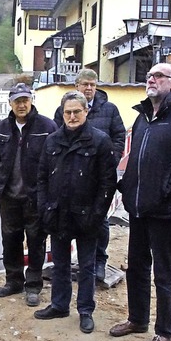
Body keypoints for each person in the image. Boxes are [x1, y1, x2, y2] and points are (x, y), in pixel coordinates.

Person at [109, 63, 171, 341]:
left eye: (159, 76)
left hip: (166, 211)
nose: (151, 79)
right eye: (150, 75)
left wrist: (166, 191)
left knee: (165, 273)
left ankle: (164, 332)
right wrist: (127, 187)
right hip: (138, 208)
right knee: (136, 268)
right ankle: (137, 319)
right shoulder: (142, 118)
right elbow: (136, 159)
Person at [34, 91, 116, 333]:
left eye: (76, 112)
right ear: (62, 113)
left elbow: (107, 183)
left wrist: (97, 215)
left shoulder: (100, 141)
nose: (72, 116)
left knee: (87, 266)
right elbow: (41, 178)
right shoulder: (52, 141)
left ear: (86, 112)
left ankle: (85, 310)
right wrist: (44, 208)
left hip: (87, 216)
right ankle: (59, 305)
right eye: (68, 112)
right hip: (58, 214)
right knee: (60, 264)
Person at [54, 68, 125, 281]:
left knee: (100, 219)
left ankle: (99, 261)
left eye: (92, 85)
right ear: (76, 86)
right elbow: (57, 137)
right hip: (72, 175)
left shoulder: (109, 109)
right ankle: (71, 266)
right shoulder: (64, 110)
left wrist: (111, 159)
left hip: (98, 176)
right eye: (85, 84)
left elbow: (119, 136)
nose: (89, 88)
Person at [0, 83, 58, 307]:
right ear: (10, 103)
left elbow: (55, 160)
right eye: (17, 101)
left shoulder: (47, 126)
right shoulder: (2, 127)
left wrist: (48, 192)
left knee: (36, 241)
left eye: (25, 100)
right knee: (10, 240)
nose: (21, 105)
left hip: (35, 197)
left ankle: (33, 285)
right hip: (9, 196)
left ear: (31, 101)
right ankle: (13, 281)